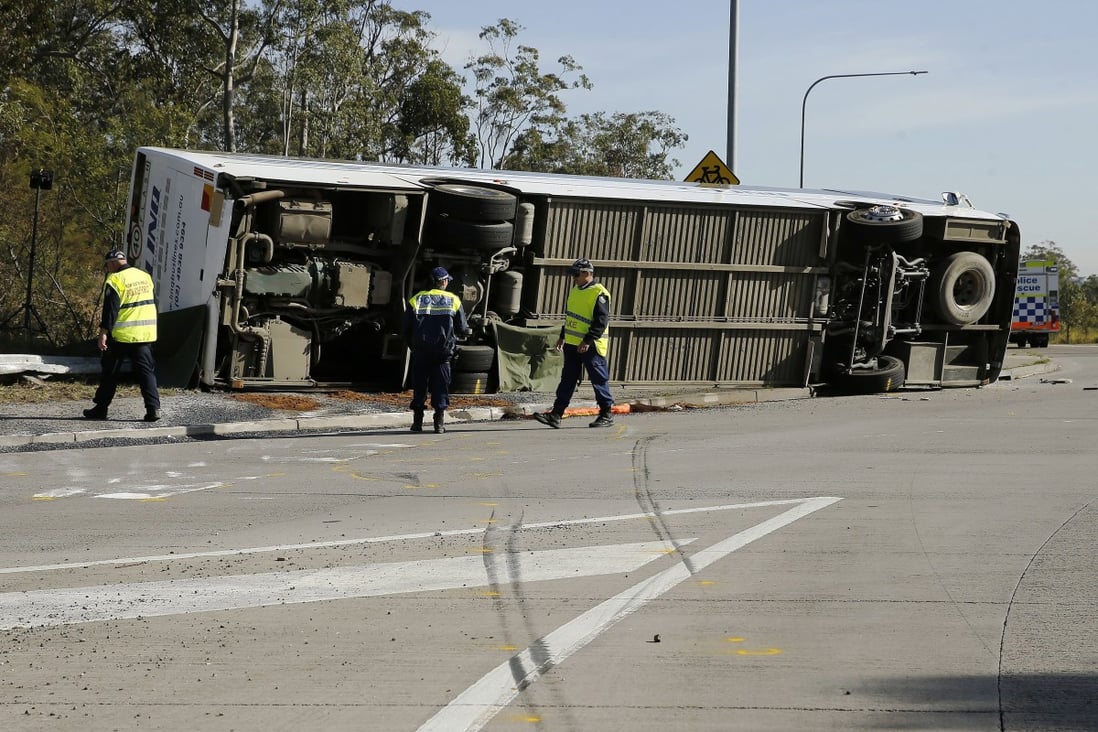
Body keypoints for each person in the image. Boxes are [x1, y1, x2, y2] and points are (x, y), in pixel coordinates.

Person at [534, 258, 616, 429]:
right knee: (568, 379)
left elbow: (600, 322)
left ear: (587, 273)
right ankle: (556, 415)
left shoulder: (599, 293)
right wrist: (563, 336)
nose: (574, 278)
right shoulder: (576, 290)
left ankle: (606, 414)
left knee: (598, 380)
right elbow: (571, 317)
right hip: (572, 344)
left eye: (576, 275)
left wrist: (587, 340)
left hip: (591, 346)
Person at [83, 249, 162, 422]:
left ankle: (101, 409)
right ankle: (153, 409)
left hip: (122, 336)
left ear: (112, 263)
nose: (108, 269)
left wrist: (103, 332)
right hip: (145, 334)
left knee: (110, 373)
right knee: (146, 373)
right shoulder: (144, 276)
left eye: (107, 265)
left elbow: (110, 310)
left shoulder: (115, 280)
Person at [404, 266, 468, 433]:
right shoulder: (453, 300)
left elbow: (406, 328)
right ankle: (438, 423)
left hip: (421, 352)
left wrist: (414, 346)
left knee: (419, 387)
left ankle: (417, 423)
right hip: (443, 353)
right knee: (441, 387)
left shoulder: (416, 299)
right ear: (444, 281)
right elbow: (462, 328)